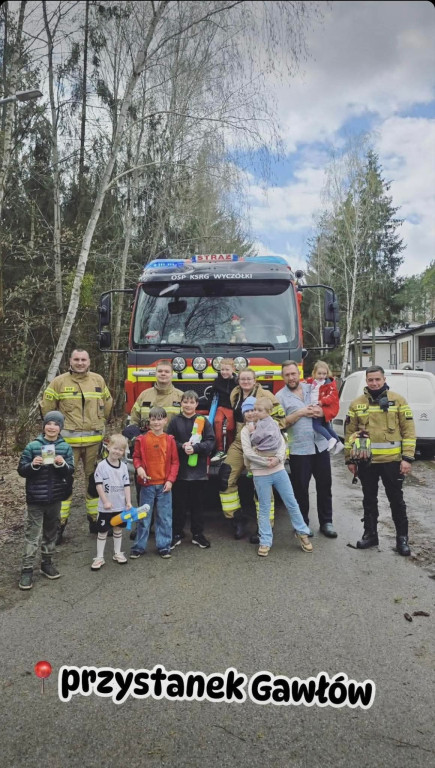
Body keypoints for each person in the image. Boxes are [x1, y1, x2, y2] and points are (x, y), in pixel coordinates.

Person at [40, 348, 113, 541]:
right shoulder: (59, 382)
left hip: (94, 443)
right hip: (66, 445)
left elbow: (107, 402)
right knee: (63, 484)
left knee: (94, 483)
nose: (80, 363)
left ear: (89, 362)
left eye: (83, 359)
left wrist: (99, 422)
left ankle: (96, 521)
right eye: (76, 359)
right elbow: (47, 410)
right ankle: (58, 525)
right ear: (70, 361)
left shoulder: (98, 380)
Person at [345, 365, 416, 555]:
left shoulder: (398, 401)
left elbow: (408, 431)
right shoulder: (357, 404)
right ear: (366, 381)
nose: (374, 383)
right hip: (366, 462)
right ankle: (370, 535)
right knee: (369, 500)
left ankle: (402, 539)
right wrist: (350, 460)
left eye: (377, 379)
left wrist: (407, 458)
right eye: (370, 380)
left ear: (384, 379)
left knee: (396, 501)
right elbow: (349, 433)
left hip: (392, 461)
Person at [219, 368, 286, 540]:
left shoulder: (266, 396)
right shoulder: (235, 394)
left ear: (255, 380)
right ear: (238, 380)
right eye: (242, 379)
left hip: (262, 446)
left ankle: (264, 526)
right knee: (225, 477)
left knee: (263, 485)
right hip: (240, 442)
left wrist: (264, 431)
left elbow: (280, 419)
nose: (246, 382)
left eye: (249, 378)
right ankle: (236, 519)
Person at [240, 398, 313, 557]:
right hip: (261, 473)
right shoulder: (246, 431)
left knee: (291, 502)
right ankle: (265, 540)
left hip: (279, 470)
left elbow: (282, 443)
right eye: (250, 410)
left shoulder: (272, 424)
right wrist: (267, 462)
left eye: (256, 410)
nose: (253, 413)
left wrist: (278, 459)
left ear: (266, 411)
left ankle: (302, 532)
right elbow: (248, 452)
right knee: (264, 507)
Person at [276, 360, 337, 538]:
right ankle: (302, 524)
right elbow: (280, 423)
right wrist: (300, 413)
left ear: (299, 374)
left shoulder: (313, 387)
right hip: (299, 450)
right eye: (287, 375)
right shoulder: (280, 397)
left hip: (320, 446)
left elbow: (331, 405)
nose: (291, 377)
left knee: (325, 486)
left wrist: (322, 413)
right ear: (283, 377)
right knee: (300, 489)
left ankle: (327, 522)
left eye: (293, 373)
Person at [17, 411, 74, 590]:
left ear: (60, 428)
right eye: (49, 423)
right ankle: (27, 570)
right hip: (35, 498)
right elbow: (21, 470)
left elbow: (70, 470)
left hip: (55, 498)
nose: (52, 427)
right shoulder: (33, 446)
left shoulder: (65, 447)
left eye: (56, 424)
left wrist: (61, 464)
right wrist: (33, 465)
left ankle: (46, 563)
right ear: (44, 426)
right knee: (32, 536)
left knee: (51, 533)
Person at [167, 390, 215, 549]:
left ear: (196, 404)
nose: (188, 405)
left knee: (198, 505)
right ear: (181, 403)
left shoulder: (203, 421)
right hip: (179, 472)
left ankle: (197, 534)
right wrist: (182, 447)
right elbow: (169, 441)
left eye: (191, 402)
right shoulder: (174, 422)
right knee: (178, 505)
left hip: (199, 472)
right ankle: (177, 533)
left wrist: (196, 448)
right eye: (185, 402)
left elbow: (210, 442)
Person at [130, 407, 179, 559]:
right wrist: (138, 468)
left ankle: (164, 546)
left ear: (165, 421)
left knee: (164, 517)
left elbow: (175, 462)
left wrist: (170, 480)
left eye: (159, 419)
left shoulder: (169, 440)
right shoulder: (142, 439)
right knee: (144, 516)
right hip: (147, 485)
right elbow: (136, 457)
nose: (156, 422)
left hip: (164, 486)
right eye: (153, 419)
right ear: (149, 421)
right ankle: (139, 546)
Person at [92, 434, 131, 569]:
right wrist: (105, 501)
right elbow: (99, 485)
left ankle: (117, 553)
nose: (117, 452)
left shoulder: (124, 467)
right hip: (105, 507)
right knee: (102, 531)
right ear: (108, 447)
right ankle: (99, 557)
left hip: (119, 506)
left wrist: (128, 502)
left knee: (118, 528)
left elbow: (127, 485)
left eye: (121, 450)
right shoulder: (102, 466)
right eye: (115, 448)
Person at [129, 359, 183, 430]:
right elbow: (134, 421)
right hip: (147, 439)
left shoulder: (180, 396)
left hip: (172, 440)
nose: (163, 373)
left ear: (172, 375)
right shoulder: (144, 395)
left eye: (167, 371)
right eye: (160, 371)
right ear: (155, 373)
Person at [306, 361, 343, 454]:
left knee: (316, 425)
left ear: (327, 373)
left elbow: (332, 396)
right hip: (319, 406)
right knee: (327, 426)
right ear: (314, 373)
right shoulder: (313, 381)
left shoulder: (328, 383)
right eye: (319, 373)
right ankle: (338, 443)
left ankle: (330, 439)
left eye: (324, 374)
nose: (322, 376)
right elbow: (307, 383)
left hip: (322, 407)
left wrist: (321, 402)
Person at [209, 358, 237, 463]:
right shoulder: (217, 381)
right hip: (221, 407)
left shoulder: (237, 381)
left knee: (230, 428)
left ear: (233, 369)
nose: (224, 372)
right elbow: (212, 396)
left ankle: (229, 449)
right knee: (217, 422)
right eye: (222, 370)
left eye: (227, 370)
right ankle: (220, 449)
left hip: (232, 408)